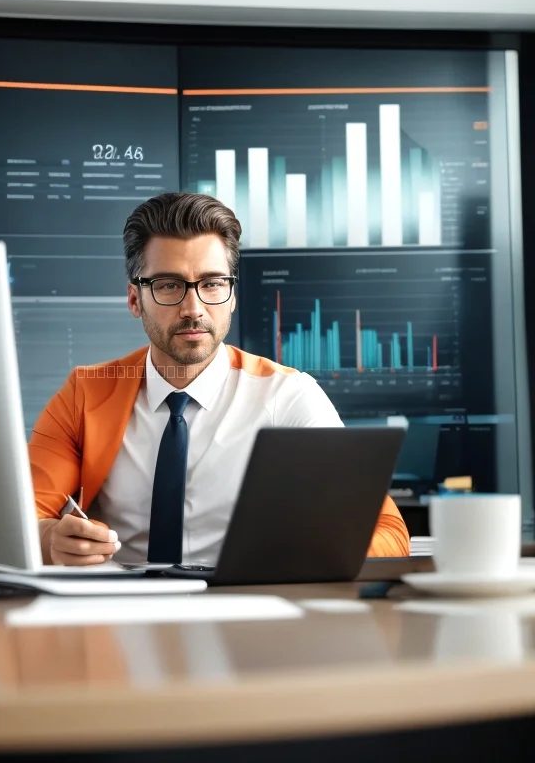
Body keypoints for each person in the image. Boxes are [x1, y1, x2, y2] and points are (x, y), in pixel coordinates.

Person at [31, 192, 409, 566]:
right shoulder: (86, 393)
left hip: (245, 612)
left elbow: (388, 532)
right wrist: (50, 540)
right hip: (121, 612)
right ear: (135, 299)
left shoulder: (289, 397)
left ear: (231, 296)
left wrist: (293, 557)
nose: (193, 309)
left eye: (212, 284)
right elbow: (20, 519)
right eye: (168, 285)